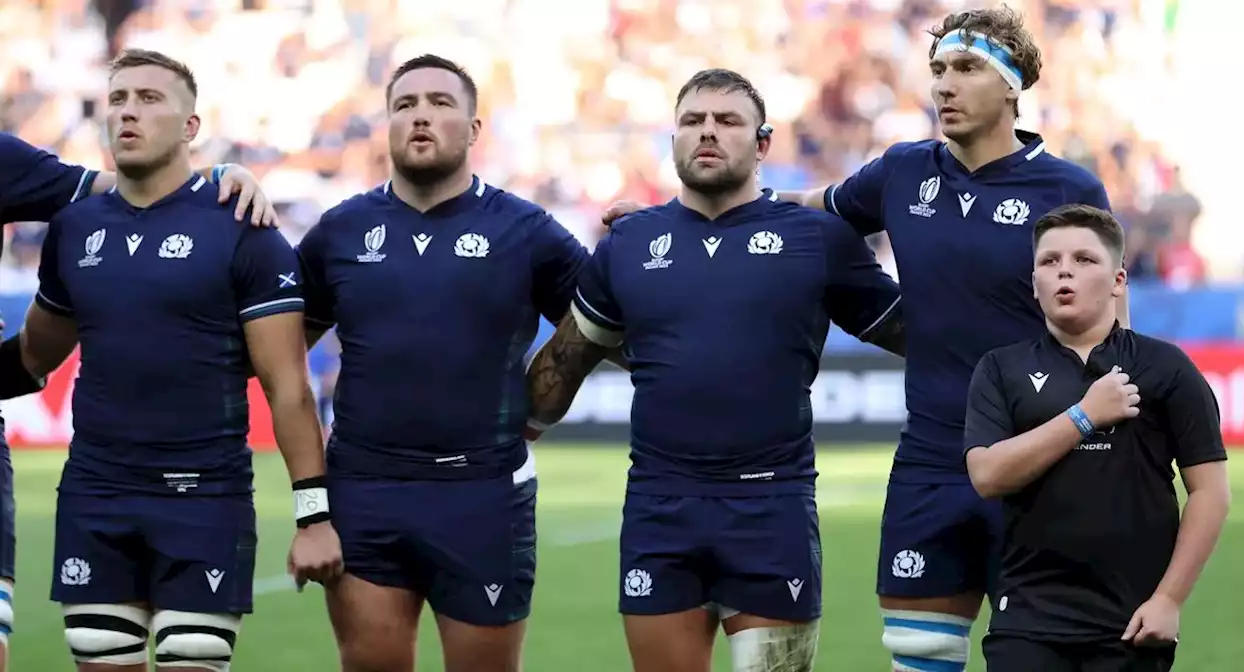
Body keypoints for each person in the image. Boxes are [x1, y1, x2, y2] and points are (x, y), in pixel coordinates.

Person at [596, 8, 1117, 670]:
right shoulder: (902, 171)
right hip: (932, 458)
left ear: (1013, 87)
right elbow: (796, 207)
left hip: (1041, 456)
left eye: (966, 70)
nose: (943, 86)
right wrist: (680, 217)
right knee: (917, 653)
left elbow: (1110, 330)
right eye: (937, 71)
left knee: (1043, 656)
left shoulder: (1069, 188)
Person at [524, 68, 904, 672]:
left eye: (727, 121)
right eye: (692, 121)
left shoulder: (817, 238)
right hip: (659, 508)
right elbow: (563, 365)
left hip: (771, 506)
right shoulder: (628, 242)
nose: (707, 133)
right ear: (671, 140)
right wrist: (507, 427)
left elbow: (919, 335)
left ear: (762, 144)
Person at [0, 49, 342, 672]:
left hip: (204, 498)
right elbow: (33, 355)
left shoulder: (244, 227)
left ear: (191, 126)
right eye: (119, 99)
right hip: (96, 497)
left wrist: (313, 515)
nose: (129, 112)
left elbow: (287, 386)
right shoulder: (74, 229)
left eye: (150, 99)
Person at [296, 54, 596, 672]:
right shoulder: (340, 231)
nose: (420, 117)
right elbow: (276, 352)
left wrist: (634, 244)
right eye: (405, 105)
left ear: (475, 129)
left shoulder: (527, 231)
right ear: (387, 125)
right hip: (364, 490)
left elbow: (609, 319)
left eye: (439, 103)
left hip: (482, 491)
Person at [963, 204, 1230, 671]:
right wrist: (1084, 416)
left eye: (1084, 260)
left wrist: (1169, 599)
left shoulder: (1166, 367)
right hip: (1026, 621)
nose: (1064, 270)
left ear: (1118, 281)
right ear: (1034, 283)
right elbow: (987, 475)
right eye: (1049, 261)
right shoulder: (1000, 368)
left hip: (1131, 624)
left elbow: (1210, 492)